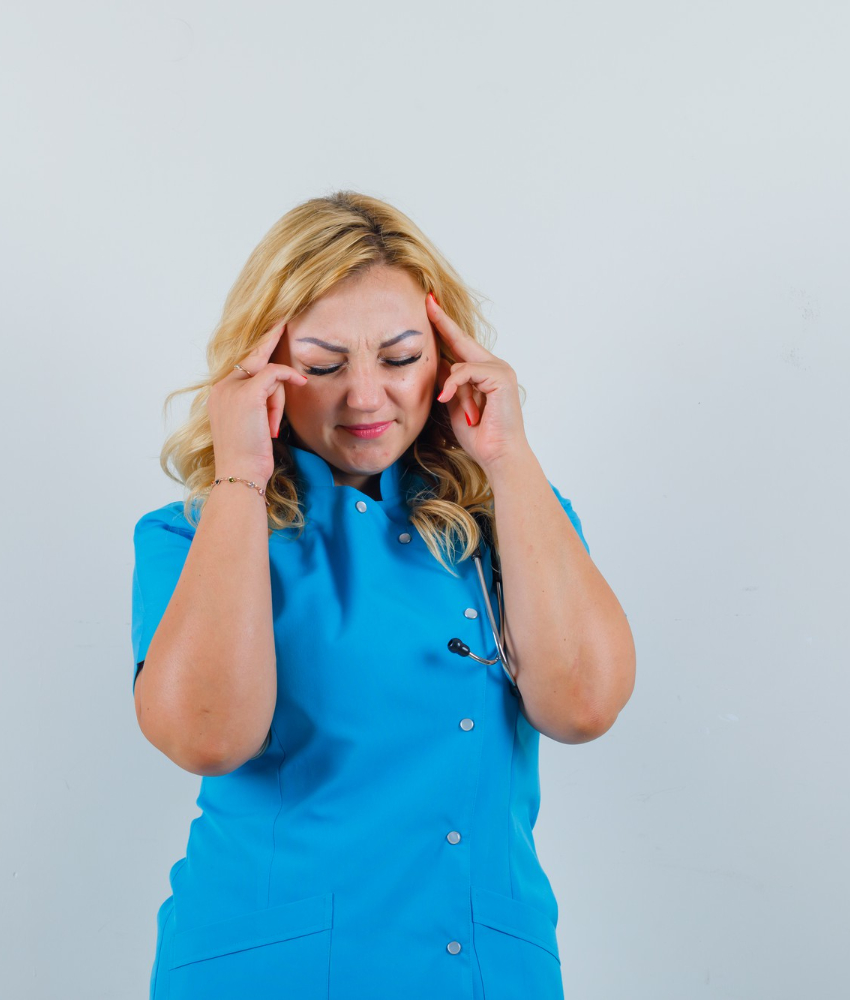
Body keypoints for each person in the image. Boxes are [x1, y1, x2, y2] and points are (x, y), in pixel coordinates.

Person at [129, 191, 635, 999]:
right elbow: (207, 737)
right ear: (262, 372)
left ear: (445, 357)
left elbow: (584, 707)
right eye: (324, 365)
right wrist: (239, 477)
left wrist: (509, 458)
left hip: (479, 969)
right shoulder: (192, 535)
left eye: (399, 358)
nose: (366, 396)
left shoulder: (514, 518)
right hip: (268, 974)